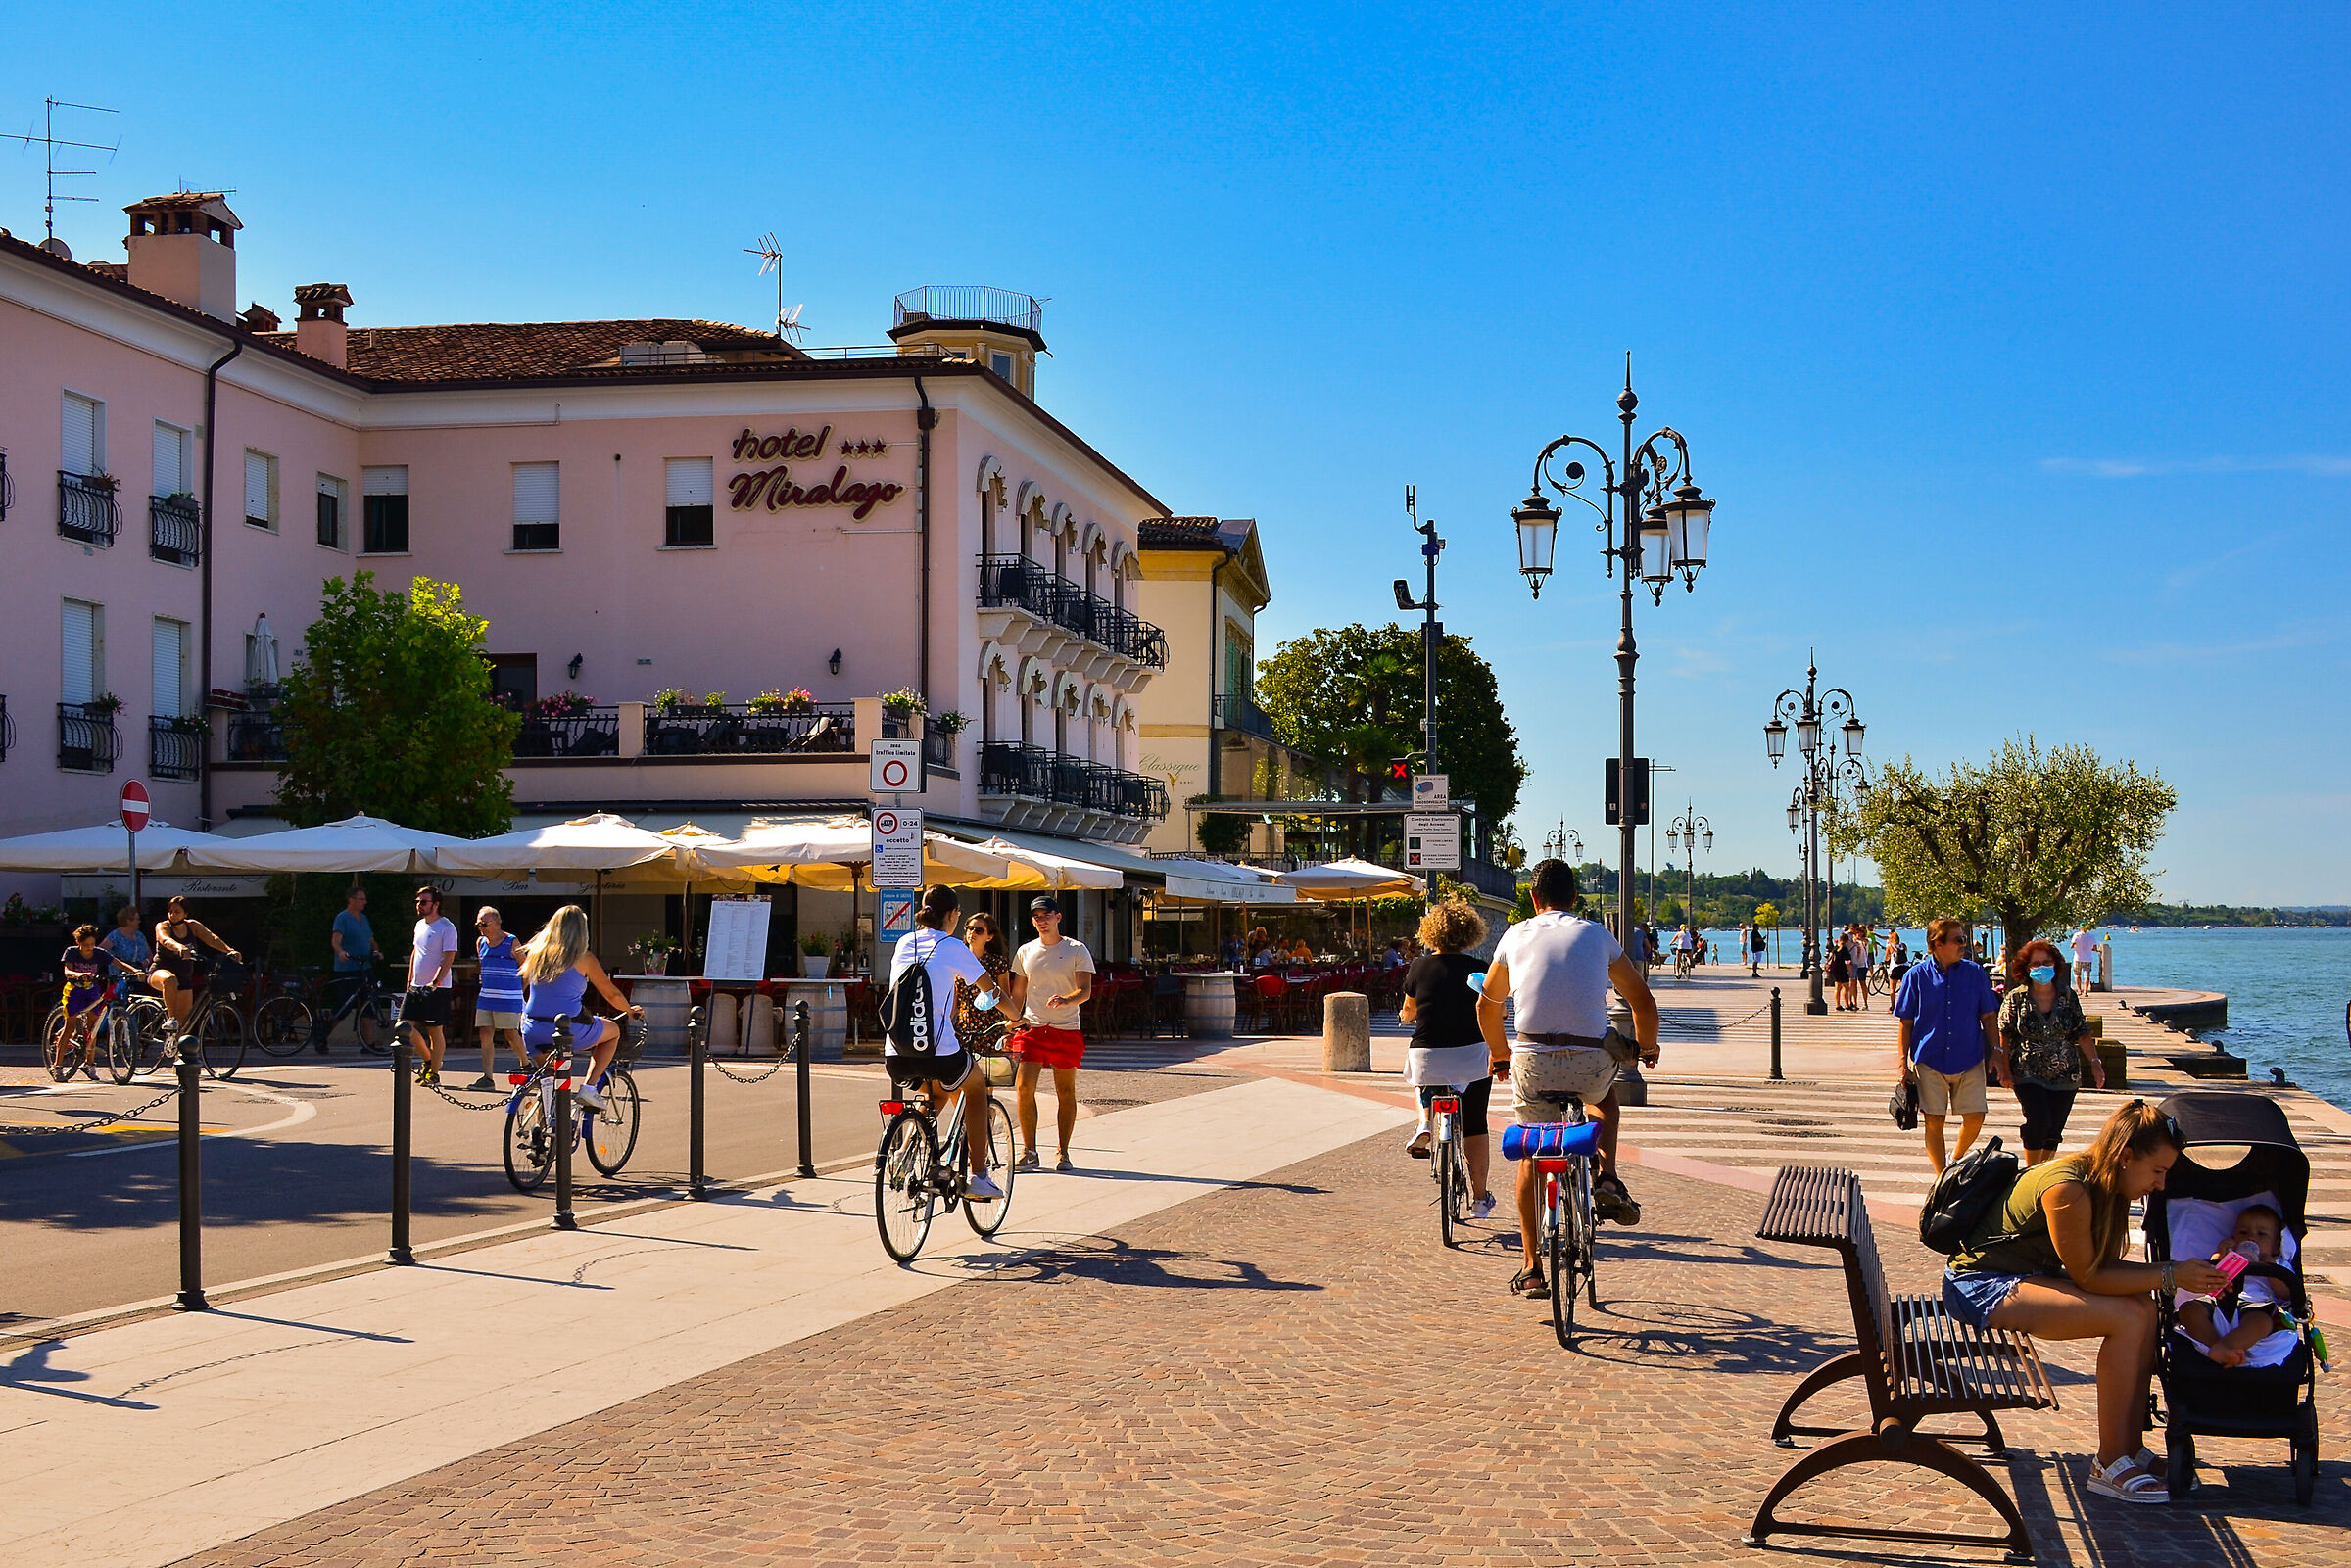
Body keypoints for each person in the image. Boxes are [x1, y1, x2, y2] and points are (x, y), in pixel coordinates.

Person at [1944, 1100, 2226, 1504]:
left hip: (2025, 1275)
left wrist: (2177, 1270)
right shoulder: (2070, 1188)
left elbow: (2102, 1268)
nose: (2161, 1185)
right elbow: (2090, 1277)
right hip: (1979, 1284)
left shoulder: (2107, 1181)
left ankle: (2129, 1448)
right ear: (2126, 1157)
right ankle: (2108, 1463)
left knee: (2144, 1308)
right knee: (2128, 1318)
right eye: (2159, 1172)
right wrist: (2170, 1274)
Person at [1478, 859, 1660, 1300]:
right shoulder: (1597, 935)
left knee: (1532, 1153)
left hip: (1532, 1059)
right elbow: (1640, 999)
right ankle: (1609, 1178)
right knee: (1605, 1099)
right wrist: (1649, 1048)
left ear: (1534, 898)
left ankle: (1531, 1267)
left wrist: (1500, 1056)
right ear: (1574, 899)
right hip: (1589, 1059)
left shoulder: (1515, 935)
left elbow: (1487, 1007)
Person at [887, 885, 1008, 1200]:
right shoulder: (953, 947)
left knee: (937, 1091)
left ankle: (903, 1155)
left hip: (896, 1053)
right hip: (938, 1052)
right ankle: (979, 1176)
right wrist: (1016, 1014)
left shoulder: (903, 942)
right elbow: (991, 991)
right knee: (977, 1086)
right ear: (953, 916)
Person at [1400, 897, 1498, 1221]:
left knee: (1419, 1076)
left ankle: (1425, 1122)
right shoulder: (1480, 970)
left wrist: (1405, 1015)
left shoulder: (1418, 968)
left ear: (1430, 933)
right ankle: (1480, 1198)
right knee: (1475, 1123)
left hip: (1429, 1055)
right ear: (1471, 933)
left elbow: (1409, 1010)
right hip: (1472, 1057)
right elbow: (1496, 1009)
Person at [1895, 917, 2004, 1173]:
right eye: (1958, 940)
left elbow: (1988, 1016)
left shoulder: (1975, 973)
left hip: (1969, 1057)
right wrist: (1903, 1064)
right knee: (1934, 1121)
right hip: (1929, 1059)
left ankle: (1956, 1157)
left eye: (1963, 939)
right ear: (1937, 944)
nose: (1964, 944)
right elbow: (1906, 1022)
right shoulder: (1916, 977)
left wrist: (1997, 1052)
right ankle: (1940, 1176)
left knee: (1976, 1116)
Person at [515, 904, 643, 1112]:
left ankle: (544, 1131)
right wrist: (630, 1011)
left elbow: (524, 987)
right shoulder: (583, 958)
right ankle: (589, 1087)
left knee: (548, 1082)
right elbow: (612, 994)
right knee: (613, 1032)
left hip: (532, 1028)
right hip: (568, 1030)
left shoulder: (536, 954)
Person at [2000, 937, 2104, 1165]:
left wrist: (2095, 1062)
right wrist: (2004, 1069)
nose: (2041, 968)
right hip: (2026, 1071)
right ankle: (2030, 1171)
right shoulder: (2017, 997)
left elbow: (2082, 1032)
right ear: (2026, 968)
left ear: (2056, 965)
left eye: (2046, 962)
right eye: (2035, 964)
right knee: (2038, 1121)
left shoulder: (2067, 996)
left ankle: (2042, 1170)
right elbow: (2004, 1034)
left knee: (2054, 1129)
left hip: (2065, 1074)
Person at [1009, 895, 1094, 1172]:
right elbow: (1018, 992)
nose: (1041, 921)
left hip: (1065, 1029)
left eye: (1046, 915)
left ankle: (1063, 1151)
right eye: (1036, 917)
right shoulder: (1025, 951)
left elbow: (1085, 990)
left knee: (1065, 1091)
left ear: (1058, 917)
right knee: (1023, 1088)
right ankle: (1029, 1150)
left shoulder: (1076, 949)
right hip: (1033, 1029)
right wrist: (1012, 1018)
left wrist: (1067, 999)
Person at [2177, 1205, 2291, 1368]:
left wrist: (2271, 1270)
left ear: (2275, 1245)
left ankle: (2225, 1347)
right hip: (2218, 1301)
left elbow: (2286, 1293)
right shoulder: (2228, 1256)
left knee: (2262, 1323)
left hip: (2255, 1304)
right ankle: (2218, 1346)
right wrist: (2219, 1256)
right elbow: (2207, 1276)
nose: (2251, 1239)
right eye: (2243, 1233)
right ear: (2233, 1237)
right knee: (2188, 1310)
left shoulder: (2279, 1263)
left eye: (2261, 1234)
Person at [150, 896, 239, 1041]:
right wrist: (179, 947)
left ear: (186, 913)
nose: (173, 915)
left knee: (185, 1024)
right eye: (170, 911)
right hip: (160, 972)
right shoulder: (163, 926)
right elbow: (165, 939)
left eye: (177, 911)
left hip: (184, 977)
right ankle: (171, 1019)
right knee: (170, 980)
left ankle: (178, 1055)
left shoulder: (192, 926)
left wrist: (229, 950)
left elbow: (211, 938)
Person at [58, 923, 140, 1075]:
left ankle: (89, 1064)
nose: (90, 948)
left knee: (93, 1027)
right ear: (79, 943)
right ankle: (57, 1065)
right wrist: (78, 975)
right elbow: (67, 970)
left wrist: (135, 971)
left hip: (92, 990)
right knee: (69, 1026)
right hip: (74, 990)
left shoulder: (99, 953)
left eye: (92, 944)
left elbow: (118, 963)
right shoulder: (71, 952)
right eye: (86, 945)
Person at [402, 886, 458, 1087]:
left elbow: (449, 957)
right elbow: (416, 952)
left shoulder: (446, 927)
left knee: (435, 1031)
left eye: (423, 902)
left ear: (436, 904)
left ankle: (434, 1072)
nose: (419, 905)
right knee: (403, 1027)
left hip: (437, 988)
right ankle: (428, 1060)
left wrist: (436, 981)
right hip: (416, 985)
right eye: (418, 901)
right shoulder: (419, 925)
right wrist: (410, 980)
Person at [469, 905, 527, 1090]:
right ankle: (487, 1077)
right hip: (487, 995)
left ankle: (526, 1064)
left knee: (511, 1033)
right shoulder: (481, 943)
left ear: (497, 922)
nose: (481, 927)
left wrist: (519, 990)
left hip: (509, 997)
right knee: (485, 1033)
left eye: (484, 924)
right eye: (479, 924)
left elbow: (526, 967)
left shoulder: (511, 941)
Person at [321, 885, 383, 1056]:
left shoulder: (364, 918)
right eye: (361, 899)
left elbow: (371, 940)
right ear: (351, 900)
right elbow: (335, 940)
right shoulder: (342, 918)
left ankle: (368, 1043)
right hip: (348, 968)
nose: (365, 902)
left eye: (364, 899)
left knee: (370, 1002)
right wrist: (340, 952)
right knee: (344, 1005)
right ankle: (322, 1035)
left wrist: (376, 951)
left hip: (365, 967)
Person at [953, 911, 1015, 1059]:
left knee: (991, 1075)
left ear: (990, 937)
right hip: (964, 1028)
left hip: (991, 1028)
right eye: (969, 928)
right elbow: (953, 1000)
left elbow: (1004, 996)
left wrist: (1008, 1028)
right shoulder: (956, 960)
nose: (972, 933)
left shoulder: (997, 962)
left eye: (979, 930)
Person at [2071, 926, 2100, 995]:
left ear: (2080, 928)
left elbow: (2071, 946)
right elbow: (2095, 948)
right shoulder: (2091, 937)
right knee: (2087, 975)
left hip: (2078, 958)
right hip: (2088, 958)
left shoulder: (2076, 935)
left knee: (2077, 975)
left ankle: (2079, 990)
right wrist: (2090, 949)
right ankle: (2085, 991)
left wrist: (2076, 946)